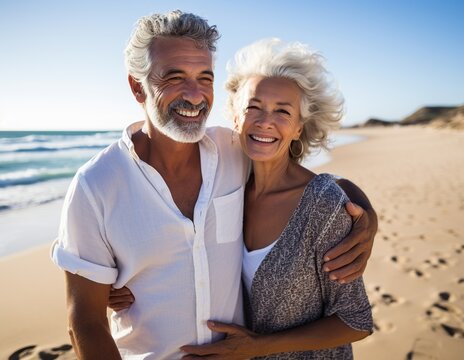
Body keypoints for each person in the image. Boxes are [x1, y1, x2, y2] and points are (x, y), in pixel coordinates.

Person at [51, 11, 376, 359]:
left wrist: (366, 215)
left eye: (204, 77)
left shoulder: (233, 152)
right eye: (175, 76)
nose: (194, 95)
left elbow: (313, 185)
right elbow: (85, 321)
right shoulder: (95, 186)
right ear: (136, 86)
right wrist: (104, 287)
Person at [179, 39, 373, 359]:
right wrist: (123, 285)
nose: (265, 121)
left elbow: (356, 321)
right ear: (235, 117)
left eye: (282, 111)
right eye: (253, 107)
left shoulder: (323, 208)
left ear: (298, 128)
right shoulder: (224, 187)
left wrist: (257, 347)